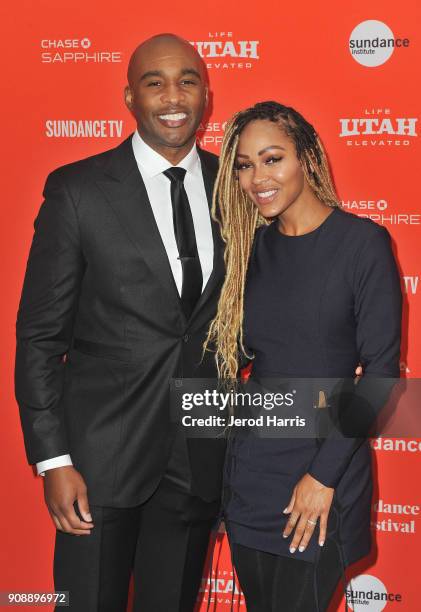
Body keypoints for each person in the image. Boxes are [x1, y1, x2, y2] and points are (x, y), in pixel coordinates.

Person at [14, 34, 226, 611]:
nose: (173, 96)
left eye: (187, 80)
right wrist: (53, 459)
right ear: (129, 96)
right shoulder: (78, 191)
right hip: (99, 460)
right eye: (154, 83)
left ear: (206, 92)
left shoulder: (234, 185)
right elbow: (39, 337)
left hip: (196, 458)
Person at [205, 101, 402, 611]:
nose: (257, 178)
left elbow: (379, 375)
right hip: (253, 475)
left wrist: (323, 476)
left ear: (308, 157)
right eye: (245, 165)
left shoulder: (363, 244)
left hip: (320, 478)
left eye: (273, 159)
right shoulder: (250, 250)